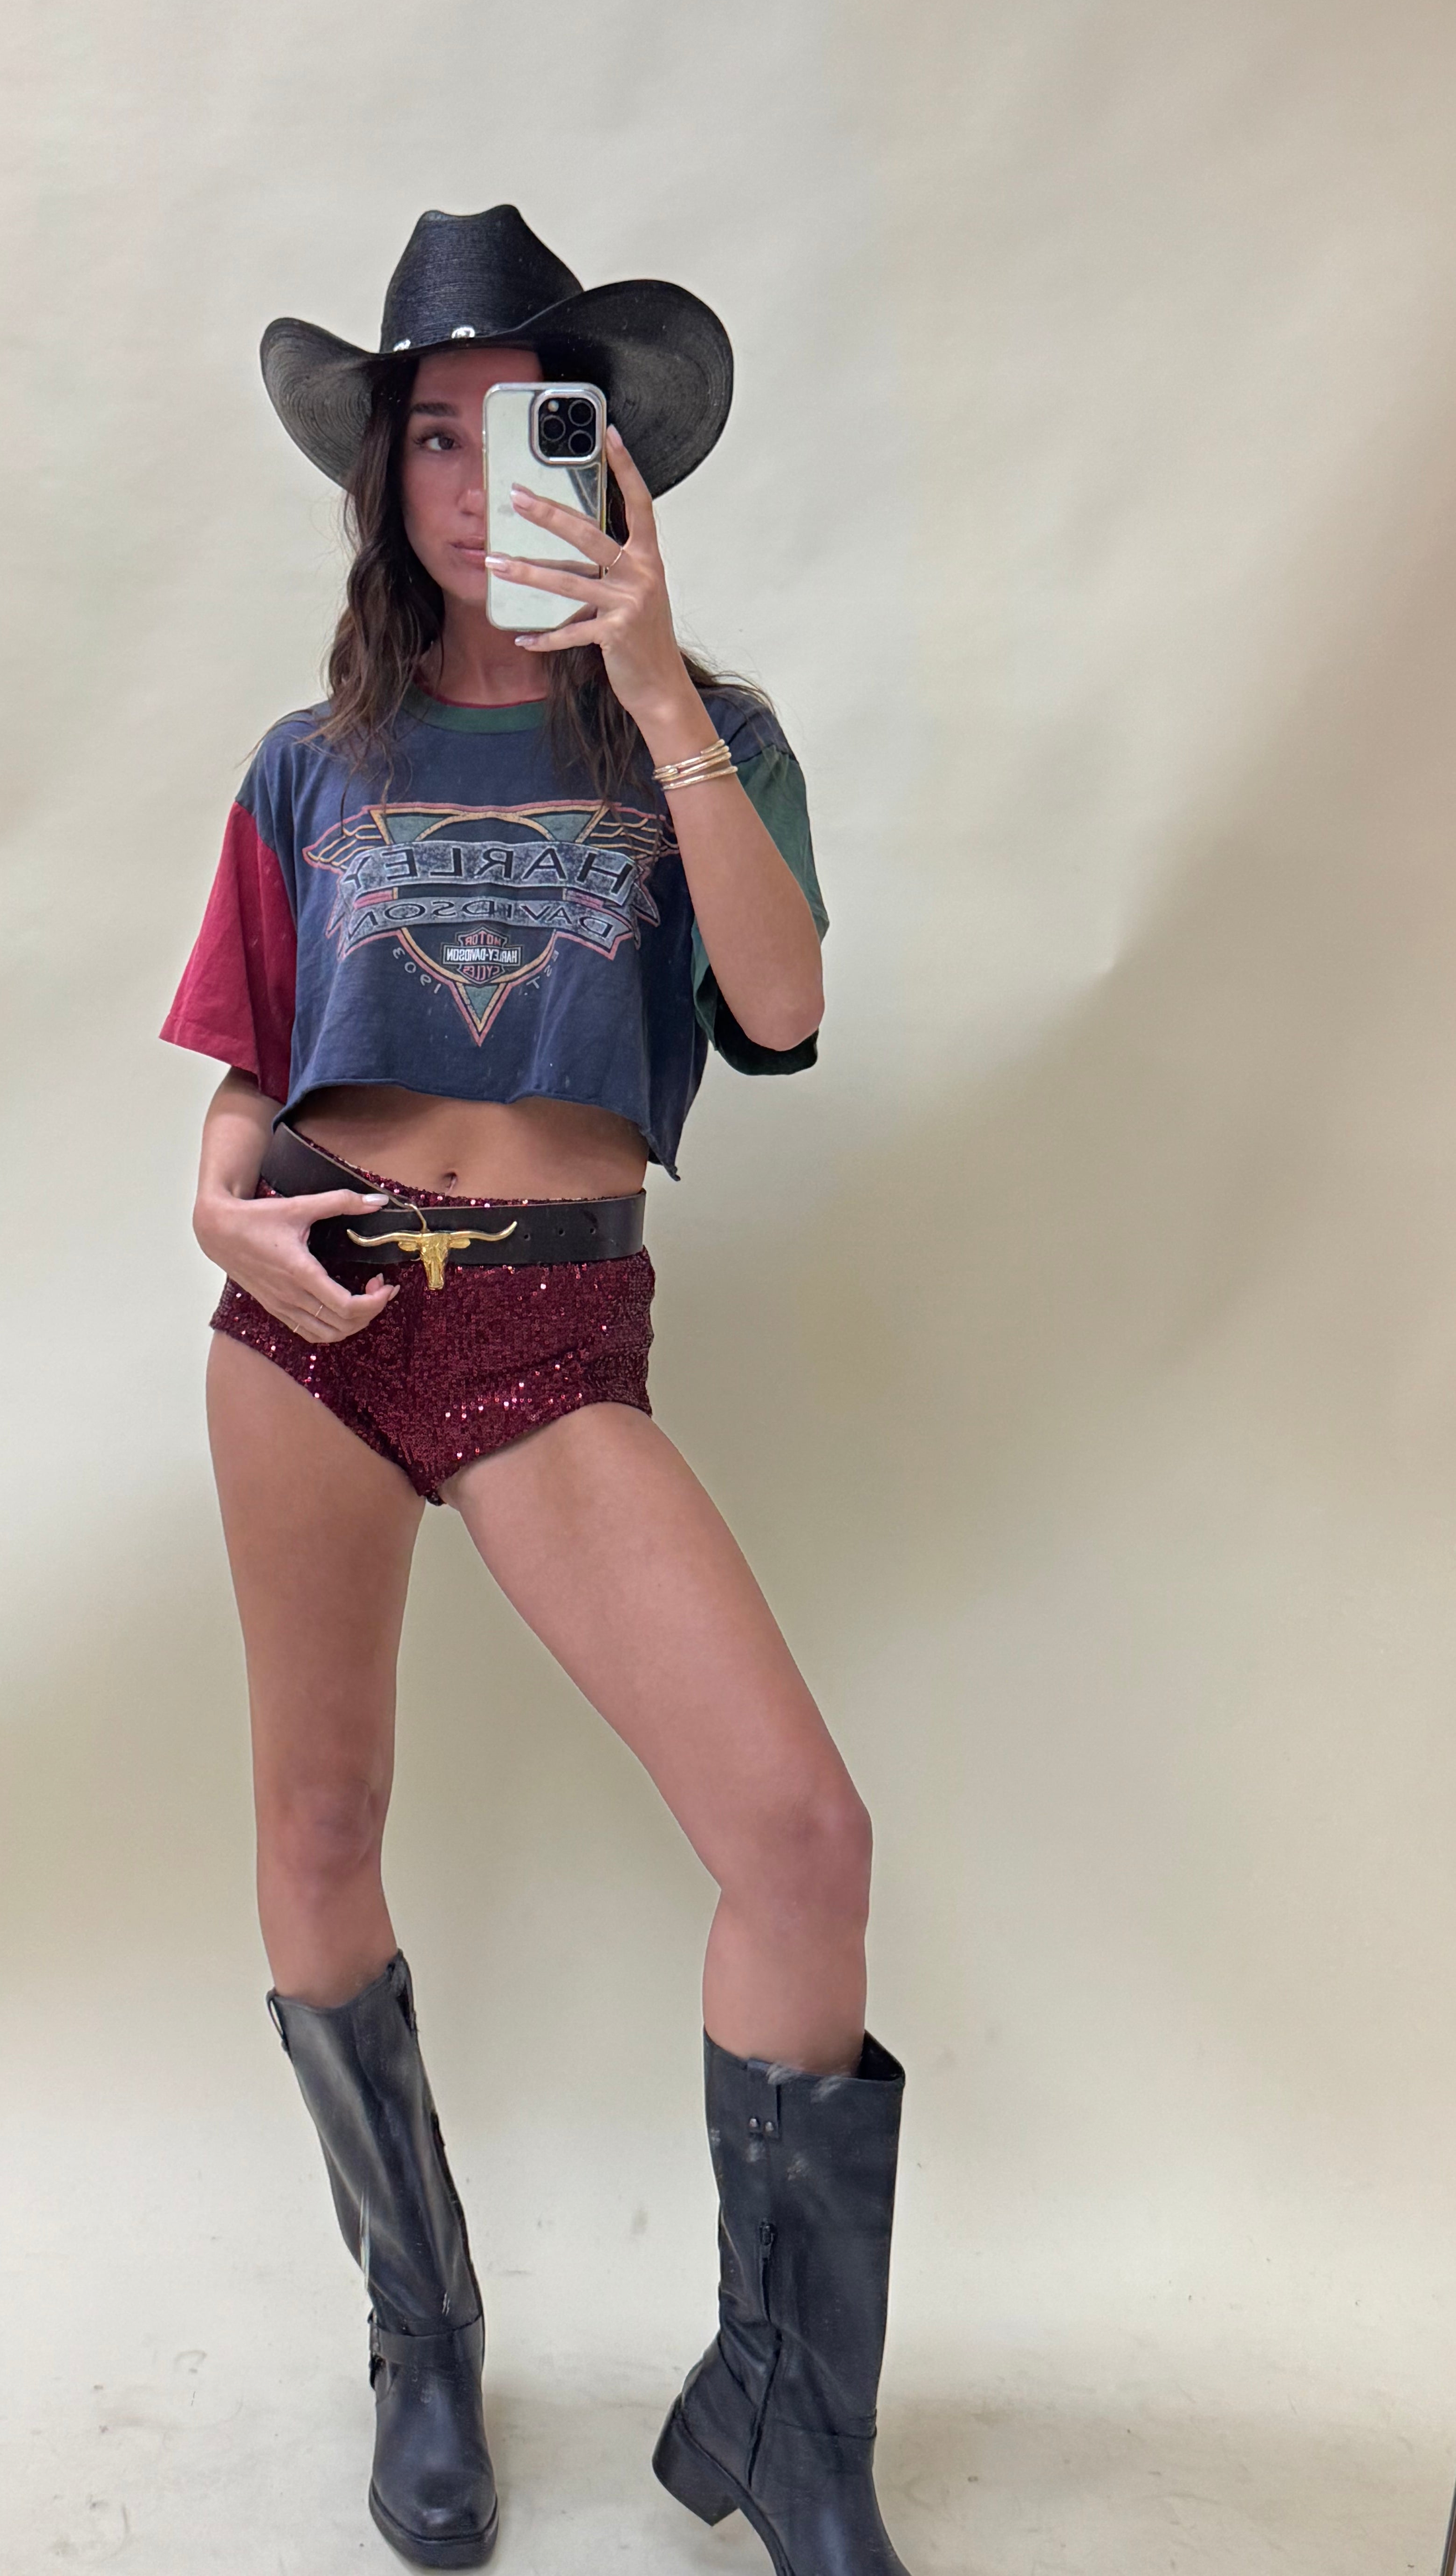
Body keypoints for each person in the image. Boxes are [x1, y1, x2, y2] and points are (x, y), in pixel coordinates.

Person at [160, 205, 913, 2576]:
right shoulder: (314, 762)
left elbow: (780, 1012)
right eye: (432, 437)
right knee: (318, 1827)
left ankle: (786, 2418)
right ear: (381, 481)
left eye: (529, 431)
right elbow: (250, 1073)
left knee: (800, 1839)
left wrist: (659, 679)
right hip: (315, 1317)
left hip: (550, 1327)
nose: (478, 480)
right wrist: (221, 1209)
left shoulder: (713, 735)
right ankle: (422, 2334)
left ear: (613, 462)